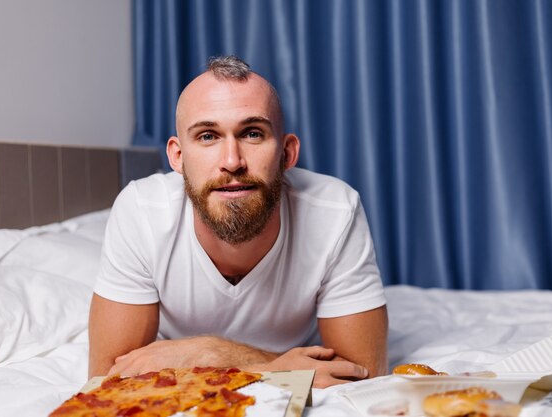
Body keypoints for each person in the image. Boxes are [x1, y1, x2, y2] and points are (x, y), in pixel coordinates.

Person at [89, 55, 388, 388]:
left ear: (287, 153)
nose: (232, 162)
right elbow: (107, 383)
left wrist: (209, 352)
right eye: (207, 137)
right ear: (177, 156)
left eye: (252, 134)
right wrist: (271, 367)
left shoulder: (335, 210)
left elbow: (364, 376)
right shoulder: (141, 211)